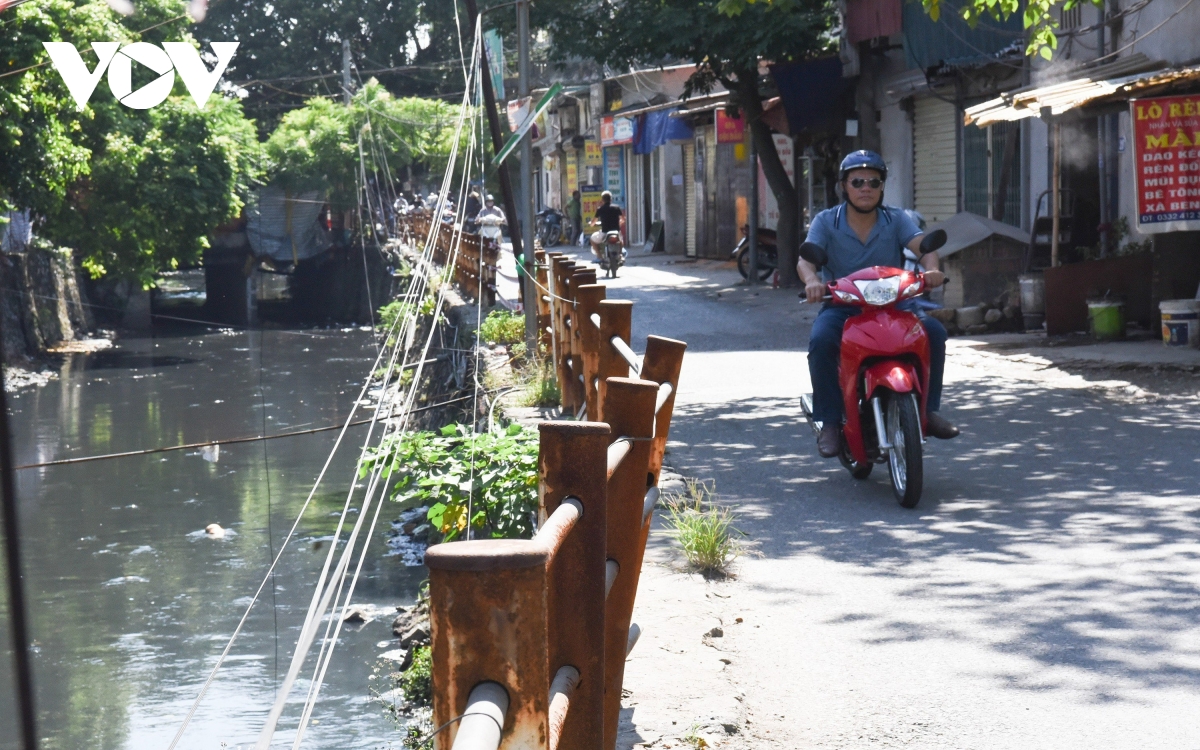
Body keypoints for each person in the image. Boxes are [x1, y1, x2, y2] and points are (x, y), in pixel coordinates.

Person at [798, 150, 960, 459]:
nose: (865, 188)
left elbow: (924, 248)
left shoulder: (896, 219)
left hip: (894, 307)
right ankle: (831, 421)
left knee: (935, 333)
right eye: (857, 181)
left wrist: (931, 270)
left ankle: (928, 411)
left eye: (873, 181)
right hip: (842, 307)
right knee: (821, 341)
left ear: (882, 186)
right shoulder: (826, 221)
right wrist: (812, 282)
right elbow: (806, 261)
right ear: (844, 186)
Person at [589, 190, 623, 259]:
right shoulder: (616, 207)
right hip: (616, 231)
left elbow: (593, 222)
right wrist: (619, 223)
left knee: (592, 239)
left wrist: (591, 224)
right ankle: (620, 254)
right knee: (620, 240)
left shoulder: (600, 209)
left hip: (604, 233)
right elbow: (623, 219)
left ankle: (599, 256)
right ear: (611, 199)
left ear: (602, 200)